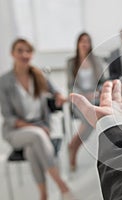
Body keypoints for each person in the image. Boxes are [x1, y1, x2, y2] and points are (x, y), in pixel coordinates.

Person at [0, 39, 75, 200]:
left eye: (28, 51)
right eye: (20, 51)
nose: (24, 54)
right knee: (38, 135)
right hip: (15, 131)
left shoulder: (38, 75)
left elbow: (56, 91)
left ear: (32, 54)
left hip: (39, 128)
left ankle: (43, 195)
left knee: (32, 150)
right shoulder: (4, 81)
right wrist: (35, 128)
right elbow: (8, 117)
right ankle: (63, 187)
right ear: (12, 54)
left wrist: (60, 97)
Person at [66, 32, 105, 171]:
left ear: (90, 44)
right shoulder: (71, 62)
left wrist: (96, 92)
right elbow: (70, 85)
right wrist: (83, 95)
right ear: (78, 44)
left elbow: (102, 82)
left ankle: (73, 146)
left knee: (100, 119)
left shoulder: (97, 61)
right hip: (79, 99)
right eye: (82, 41)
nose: (84, 44)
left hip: (95, 98)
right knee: (89, 121)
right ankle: (73, 149)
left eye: (87, 41)